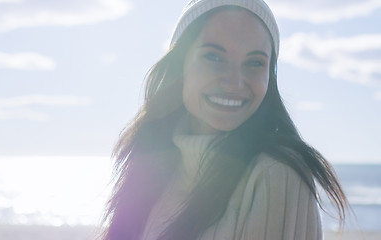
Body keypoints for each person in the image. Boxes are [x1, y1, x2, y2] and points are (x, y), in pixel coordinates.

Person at [101, 0, 348, 239]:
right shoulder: (152, 165)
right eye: (214, 57)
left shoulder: (276, 176)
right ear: (180, 66)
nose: (234, 82)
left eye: (254, 63)